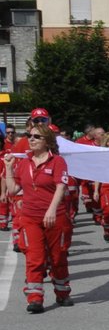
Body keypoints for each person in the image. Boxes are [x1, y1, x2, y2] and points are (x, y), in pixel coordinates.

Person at [3, 125, 72, 312]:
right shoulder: (24, 163)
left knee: (58, 257)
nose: (31, 139)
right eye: (28, 136)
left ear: (47, 141)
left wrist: (51, 210)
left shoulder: (57, 162)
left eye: (36, 137)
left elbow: (60, 187)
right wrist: (9, 169)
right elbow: (13, 190)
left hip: (55, 216)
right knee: (35, 258)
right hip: (30, 217)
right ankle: (35, 298)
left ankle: (62, 292)